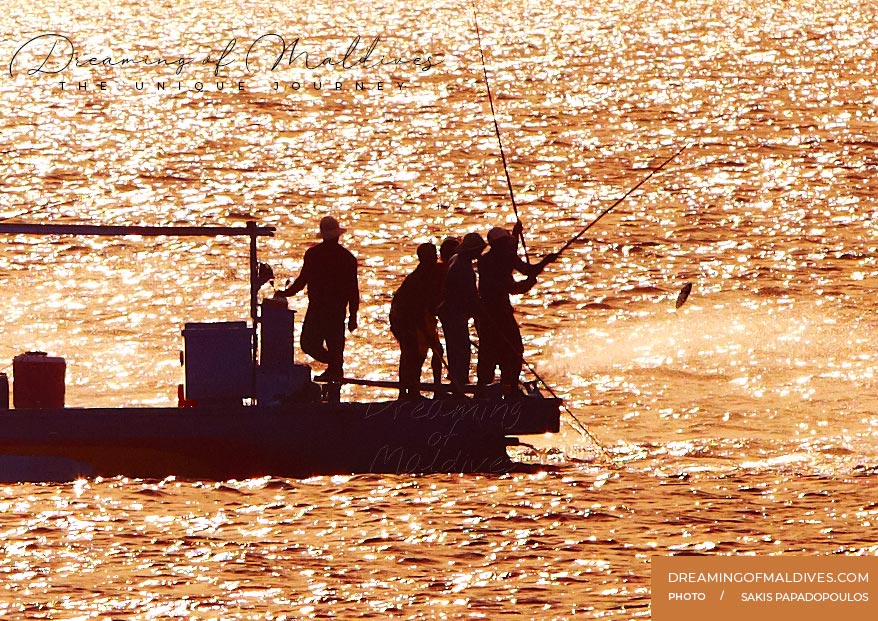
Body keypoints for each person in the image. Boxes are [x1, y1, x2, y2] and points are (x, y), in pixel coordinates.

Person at [476, 221, 556, 396]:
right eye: (505, 242)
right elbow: (528, 270)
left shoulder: (485, 260)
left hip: (485, 315)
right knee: (514, 350)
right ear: (499, 245)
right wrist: (546, 262)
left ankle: (483, 390)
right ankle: (510, 388)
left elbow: (509, 255)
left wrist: (515, 234)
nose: (508, 244)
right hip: (500, 314)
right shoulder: (505, 259)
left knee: (488, 351)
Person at [279, 215, 359, 381]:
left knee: (309, 343)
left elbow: (302, 281)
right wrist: (353, 315)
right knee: (331, 345)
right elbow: (353, 291)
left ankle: (334, 366)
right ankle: (335, 365)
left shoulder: (314, 255)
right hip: (335, 310)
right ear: (337, 235)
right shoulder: (347, 258)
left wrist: (286, 293)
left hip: (320, 309)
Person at [390, 243, 443, 399]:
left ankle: (435, 389)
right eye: (431, 256)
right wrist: (425, 332)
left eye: (435, 254)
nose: (434, 258)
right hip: (403, 319)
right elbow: (415, 310)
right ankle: (408, 391)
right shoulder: (417, 279)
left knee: (436, 350)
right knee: (411, 353)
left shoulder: (432, 272)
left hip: (421, 317)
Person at [437, 232, 486, 393]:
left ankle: (458, 382)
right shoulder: (462, 267)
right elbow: (469, 296)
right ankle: (458, 384)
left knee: (457, 347)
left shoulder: (458, 260)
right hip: (453, 313)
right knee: (461, 348)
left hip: (453, 312)